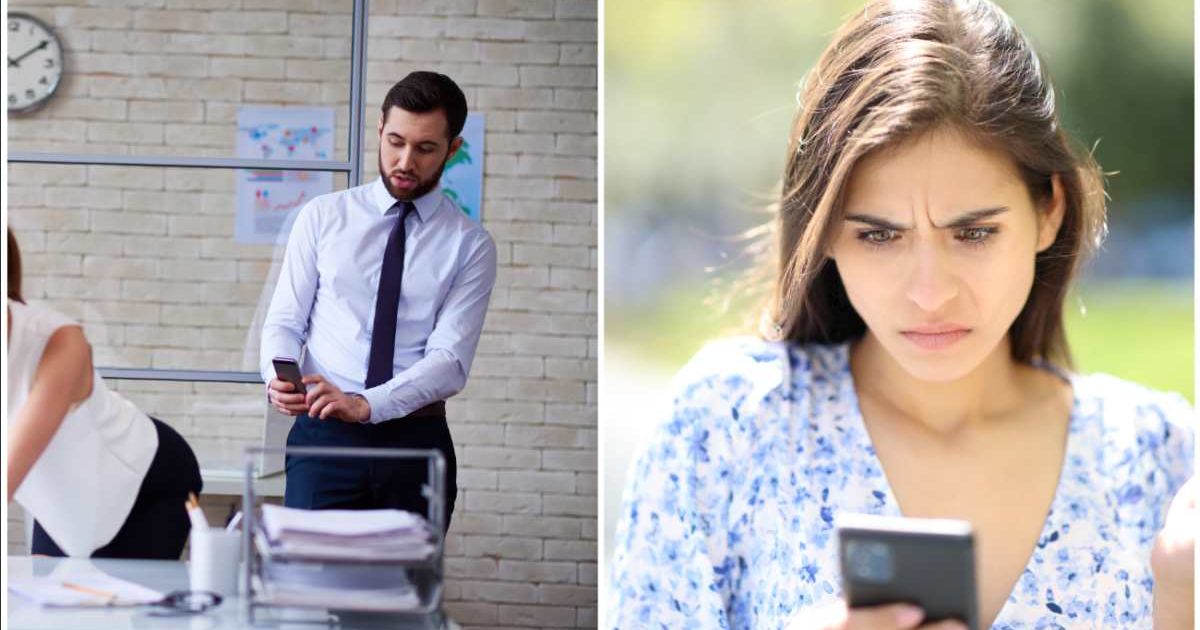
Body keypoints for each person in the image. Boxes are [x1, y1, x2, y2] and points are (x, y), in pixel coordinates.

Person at [607, 1, 1194, 629]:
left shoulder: (1160, 456)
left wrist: (1182, 604)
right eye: (879, 237)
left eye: (972, 233)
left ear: (1048, 212)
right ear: (825, 232)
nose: (930, 293)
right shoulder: (727, 426)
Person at [260, 71, 497, 531]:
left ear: (452, 149)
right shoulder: (322, 218)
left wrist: (365, 404)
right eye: (395, 141)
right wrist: (277, 375)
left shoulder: (471, 246)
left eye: (425, 148)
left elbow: (449, 361)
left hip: (415, 443)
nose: (405, 161)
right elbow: (285, 321)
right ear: (380, 130)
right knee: (310, 590)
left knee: (406, 596)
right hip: (323, 438)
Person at [6, 228, 203, 559]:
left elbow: (11, 467)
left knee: (119, 606)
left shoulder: (59, 340)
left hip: (144, 481)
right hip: (63, 500)